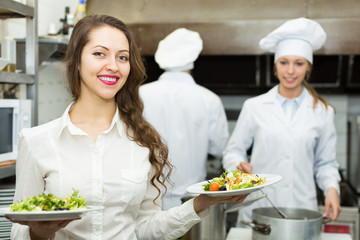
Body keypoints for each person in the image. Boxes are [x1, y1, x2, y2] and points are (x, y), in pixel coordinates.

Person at [8, 15, 247, 240]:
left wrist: (200, 203)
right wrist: (39, 234)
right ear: (77, 61)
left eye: (122, 57)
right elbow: (18, 232)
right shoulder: (36, 141)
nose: (113, 66)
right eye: (100, 54)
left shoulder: (143, 141)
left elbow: (145, 227)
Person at [222, 17, 341, 225]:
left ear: (308, 68)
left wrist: (332, 188)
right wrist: (236, 165)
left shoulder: (323, 111)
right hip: (258, 207)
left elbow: (326, 163)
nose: (291, 71)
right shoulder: (254, 106)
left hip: (302, 209)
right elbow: (233, 151)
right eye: (284, 62)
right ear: (275, 66)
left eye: (299, 63)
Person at [140, 28, 229, 210]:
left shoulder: (139, 95)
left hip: (147, 200)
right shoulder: (209, 99)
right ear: (192, 60)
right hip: (191, 202)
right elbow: (220, 149)